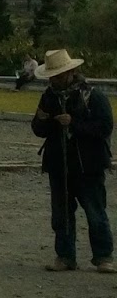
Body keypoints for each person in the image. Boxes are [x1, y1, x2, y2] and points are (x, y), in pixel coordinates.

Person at [30, 49, 113, 272]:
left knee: (95, 213)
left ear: (71, 72)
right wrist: (50, 123)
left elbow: (105, 127)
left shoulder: (93, 96)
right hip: (59, 165)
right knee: (61, 215)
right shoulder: (48, 97)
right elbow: (38, 128)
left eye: (58, 75)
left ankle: (104, 256)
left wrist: (73, 124)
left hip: (89, 166)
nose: (54, 80)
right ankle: (65, 256)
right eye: (52, 76)